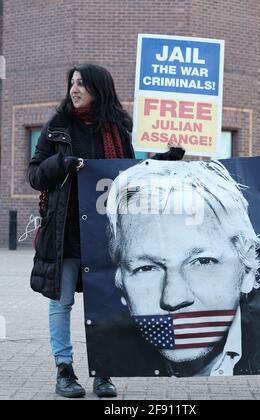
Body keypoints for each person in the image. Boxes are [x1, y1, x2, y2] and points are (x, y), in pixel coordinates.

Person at [28, 63, 185, 398]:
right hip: (65, 232)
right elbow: (35, 175)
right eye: (71, 82)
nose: (74, 89)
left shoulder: (117, 130)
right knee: (62, 302)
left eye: (82, 84)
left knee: (105, 304)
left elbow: (132, 176)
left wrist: (167, 159)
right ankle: (64, 370)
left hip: (106, 234)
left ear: (100, 89)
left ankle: (104, 372)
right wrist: (60, 163)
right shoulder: (57, 127)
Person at [102, 159, 260, 376]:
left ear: (247, 271)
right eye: (147, 268)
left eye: (203, 262)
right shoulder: (103, 350)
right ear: (120, 281)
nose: (173, 298)